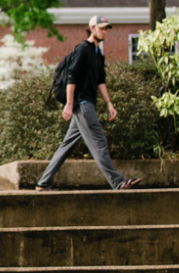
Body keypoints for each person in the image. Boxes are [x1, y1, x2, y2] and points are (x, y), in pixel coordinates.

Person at [36, 15, 142, 192]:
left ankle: (44, 182)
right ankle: (118, 183)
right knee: (99, 141)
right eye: (101, 28)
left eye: (106, 28)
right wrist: (69, 104)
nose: (104, 31)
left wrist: (109, 104)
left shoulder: (98, 54)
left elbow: (100, 81)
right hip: (82, 103)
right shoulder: (83, 49)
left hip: (86, 104)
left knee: (67, 145)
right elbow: (72, 76)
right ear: (92, 28)